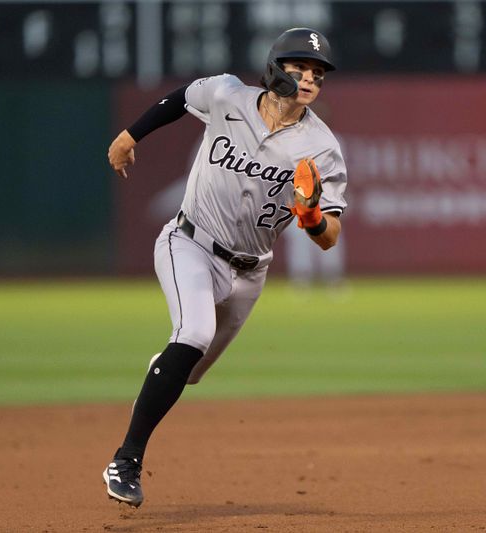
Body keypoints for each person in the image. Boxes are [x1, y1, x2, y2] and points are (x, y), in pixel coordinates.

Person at [102, 27, 347, 508]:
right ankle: (126, 460)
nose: (310, 78)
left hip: (250, 271)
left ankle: (164, 370)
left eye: (317, 72)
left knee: (188, 371)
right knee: (191, 336)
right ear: (276, 68)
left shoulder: (321, 147)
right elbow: (178, 99)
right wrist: (130, 136)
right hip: (188, 241)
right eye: (299, 67)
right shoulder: (227, 94)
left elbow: (328, 237)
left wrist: (312, 216)